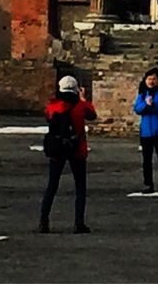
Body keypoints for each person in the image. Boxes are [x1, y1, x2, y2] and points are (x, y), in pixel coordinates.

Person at [39, 75, 97, 234]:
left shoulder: (54, 106)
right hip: (77, 148)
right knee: (80, 187)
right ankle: (79, 223)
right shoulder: (80, 106)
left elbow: (48, 118)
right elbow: (92, 115)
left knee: (52, 185)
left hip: (57, 148)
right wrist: (84, 98)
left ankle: (44, 221)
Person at [133, 67, 158, 194]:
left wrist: (154, 105)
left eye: (154, 79)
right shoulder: (142, 94)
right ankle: (148, 184)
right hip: (146, 133)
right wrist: (146, 104)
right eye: (149, 79)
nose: (151, 81)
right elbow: (137, 109)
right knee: (146, 160)